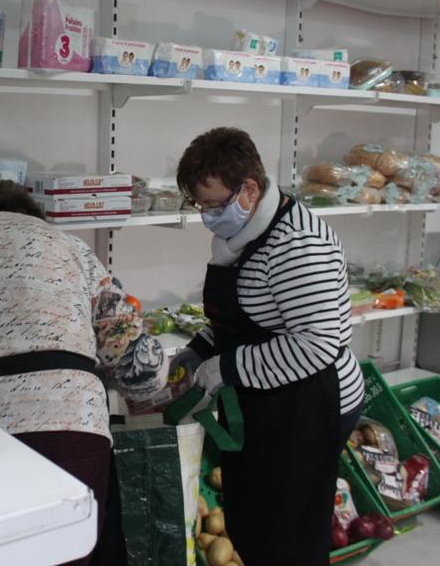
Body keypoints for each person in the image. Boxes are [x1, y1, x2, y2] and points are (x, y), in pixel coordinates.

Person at [0, 181, 170, 566]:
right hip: (70, 428)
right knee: (64, 552)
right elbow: (137, 364)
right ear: (35, 217)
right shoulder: (71, 248)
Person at [176, 128, 364, 566]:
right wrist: (200, 349)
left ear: (250, 189)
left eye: (212, 203)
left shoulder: (299, 246)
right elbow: (250, 321)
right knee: (254, 524)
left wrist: (226, 368)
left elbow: (315, 345)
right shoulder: (238, 236)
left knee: (289, 538)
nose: (206, 215)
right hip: (267, 401)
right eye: (198, 205)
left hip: (311, 406)